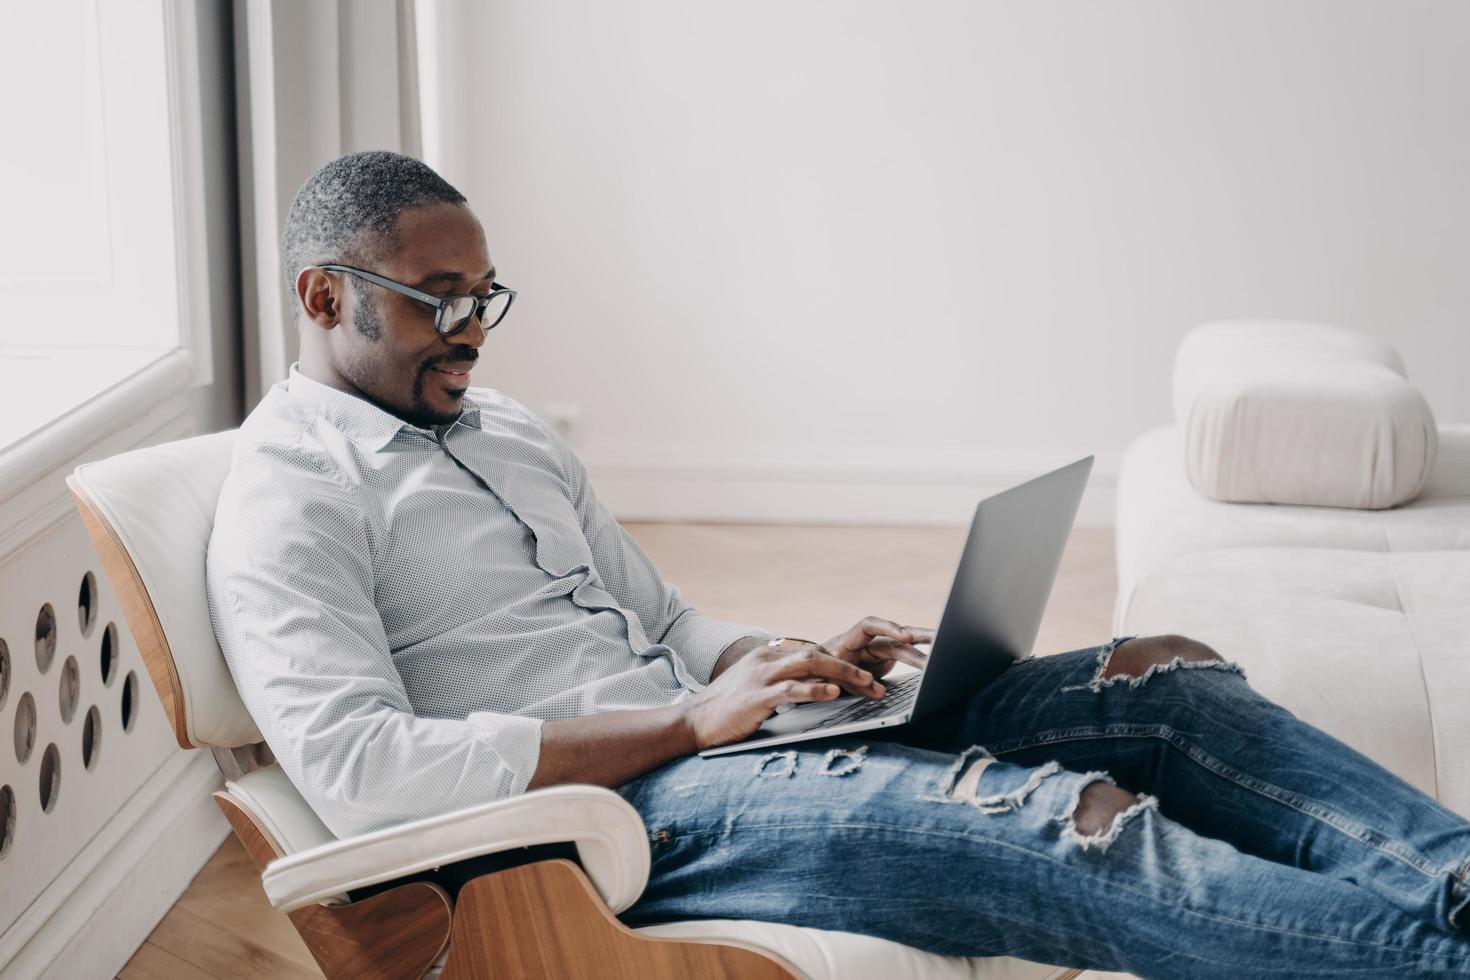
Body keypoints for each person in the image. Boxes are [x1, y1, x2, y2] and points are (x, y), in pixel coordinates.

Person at [206, 151, 1470, 978]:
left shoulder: (509, 429)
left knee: (1162, 682)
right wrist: (686, 723)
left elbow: (664, 617)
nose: (474, 333)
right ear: (325, 296)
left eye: (488, 296)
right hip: (621, 819)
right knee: (1069, 824)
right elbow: (364, 771)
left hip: (717, 743)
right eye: (440, 298)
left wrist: (775, 657)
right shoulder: (293, 493)